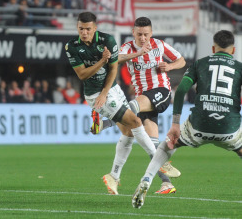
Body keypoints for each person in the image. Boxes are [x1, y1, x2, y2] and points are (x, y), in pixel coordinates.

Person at [132, 30, 242, 209]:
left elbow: (182, 89)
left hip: (198, 124)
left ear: (213, 48)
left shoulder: (200, 63)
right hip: (228, 127)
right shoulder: (239, 67)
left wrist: (175, 123)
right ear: (234, 50)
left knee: (167, 146)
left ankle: (147, 179)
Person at [65, 12, 157, 195]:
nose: (84, 33)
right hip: (94, 94)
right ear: (77, 28)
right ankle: (158, 160)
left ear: (95, 28)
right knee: (136, 122)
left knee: (129, 133)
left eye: (88, 29)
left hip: (111, 90)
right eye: (81, 29)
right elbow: (83, 75)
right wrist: (101, 61)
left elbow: (114, 66)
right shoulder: (72, 47)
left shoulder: (108, 40)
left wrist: (107, 90)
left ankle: (113, 176)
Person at [91, 17, 185, 194]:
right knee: (146, 142)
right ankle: (165, 183)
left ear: (151, 33)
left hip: (161, 92)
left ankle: (104, 124)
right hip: (144, 99)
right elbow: (115, 60)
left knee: (132, 107)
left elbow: (182, 60)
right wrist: (138, 53)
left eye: (146, 34)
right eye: (139, 34)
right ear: (133, 32)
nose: (143, 38)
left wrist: (170, 66)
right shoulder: (127, 47)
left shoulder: (159, 45)